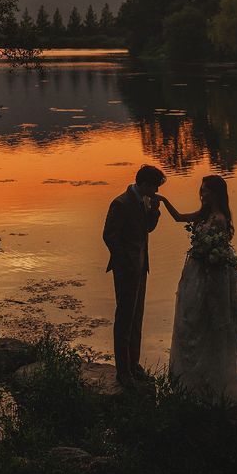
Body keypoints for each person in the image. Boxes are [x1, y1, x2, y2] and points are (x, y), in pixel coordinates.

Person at [156, 174, 237, 404]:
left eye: (206, 191)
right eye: (201, 190)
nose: (202, 194)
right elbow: (179, 217)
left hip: (210, 276)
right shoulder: (204, 215)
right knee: (190, 322)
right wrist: (163, 201)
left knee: (211, 325)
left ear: (216, 193)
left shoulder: (219, 219)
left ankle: (214, 384)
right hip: (195, 275)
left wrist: (207, 258)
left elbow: (220, 253)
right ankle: (192, 382)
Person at [103, 164, 165, 388]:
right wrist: (126, 261)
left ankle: (134, 364)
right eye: (155, 186)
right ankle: (123, 371)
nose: (156, 190)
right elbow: (109, 236)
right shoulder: (120, 203)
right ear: (145, 183)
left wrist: (155, 212)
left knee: (137, 316)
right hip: (127, 269)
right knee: (125, 319)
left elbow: (146, 229)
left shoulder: (144, 201)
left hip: (140, 267)